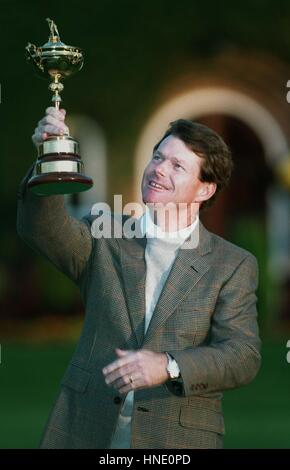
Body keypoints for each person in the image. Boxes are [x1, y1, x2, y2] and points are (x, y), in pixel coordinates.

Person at [17, 107, 261, 449]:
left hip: (177, 440)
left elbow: (242, 355)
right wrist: (50, 157)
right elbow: (40, 229)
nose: (159, 170)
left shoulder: (232, 264)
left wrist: (169, 366)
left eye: (177, 166)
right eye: (158, 157)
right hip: (85, 430)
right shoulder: (104, 234)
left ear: (205, 189)